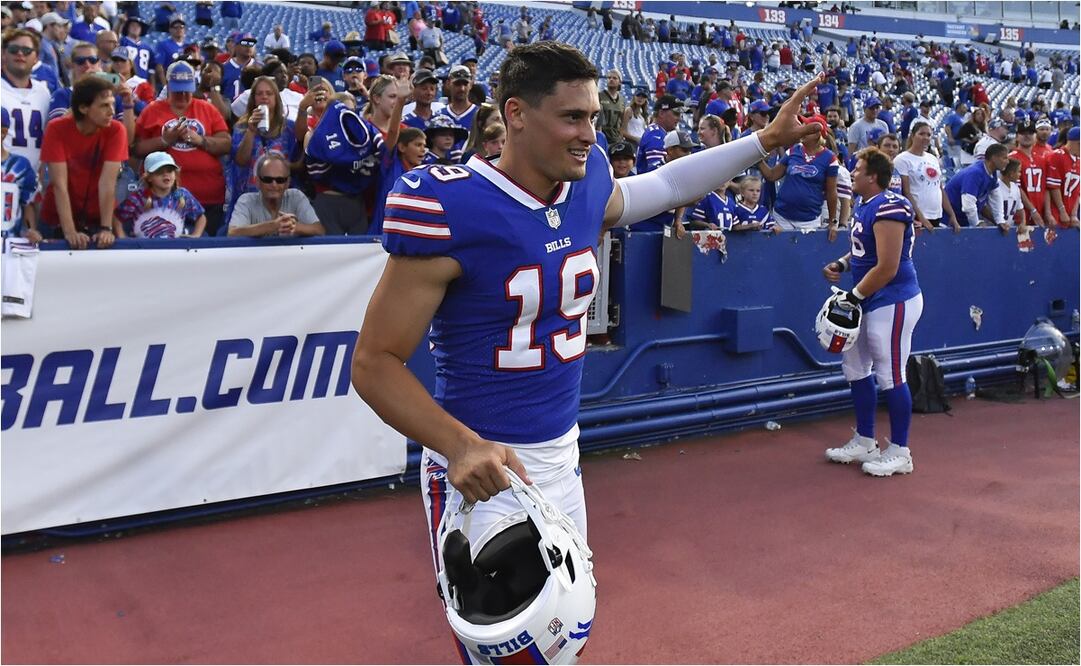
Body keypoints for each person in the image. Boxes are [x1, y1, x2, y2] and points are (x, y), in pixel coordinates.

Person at [351, 43, 819, 663]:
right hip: (486, 470)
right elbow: (373, 363)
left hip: (562, 456)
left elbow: (667, 183)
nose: (588, 134)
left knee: (566, 636)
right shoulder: (450, 204)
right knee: (513, 653)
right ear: (515, 114)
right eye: (572, 117)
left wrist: (762, 141)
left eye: (594, 117)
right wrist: (460, 445)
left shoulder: (588, 176)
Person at [821, 147, 922, 477]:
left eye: (858, 168)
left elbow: (889, 266)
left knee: (891, 372)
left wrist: (853, 295)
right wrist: (843, 263)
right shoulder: (867, 206)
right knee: (854, 366)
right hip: (869, 298)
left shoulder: (891, 205)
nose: (852, 173)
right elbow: (862, 251)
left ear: (873, 176)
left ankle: (901, 450)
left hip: (892, 298)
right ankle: (865, 439)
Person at [135, 61, 231, 236]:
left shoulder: (207, 108)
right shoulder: (152, 111)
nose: (183, 95)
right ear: (169, 86)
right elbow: (137, 149)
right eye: (178, 90)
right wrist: (165, 140)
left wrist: (200, 140)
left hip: (209, 198)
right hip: (163, 201)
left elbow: (226, 143)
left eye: (187, 89)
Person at [39, 75, 127, 249]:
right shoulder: (57, 128)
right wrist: (70, 232)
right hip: (56, 219)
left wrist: (106, 228)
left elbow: (108, 183)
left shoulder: (116, 129)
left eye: (112, 104)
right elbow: (59, 185)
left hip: (97, 219)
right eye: (104, 106)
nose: (112, 111)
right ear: (83, 108)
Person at [229, 76, 297, 214]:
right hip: (249, 196)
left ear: (276, 98)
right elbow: (240, 160)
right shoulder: (241, 127)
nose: (264, 97)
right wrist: (251, 131)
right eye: (259, 94)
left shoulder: (289, 127)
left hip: (281, 197)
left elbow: (296, 163)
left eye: (269, 93)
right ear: (253, 99)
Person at [757, 115, 838, 231]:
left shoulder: (829, 158)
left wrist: (832, 221)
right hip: (781, 217)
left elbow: (831, 192)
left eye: (806, 129)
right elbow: (772, 175)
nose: (802, 131)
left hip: (809, 221)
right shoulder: (793, 150)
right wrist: (757, 159)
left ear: (817, 134)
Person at [228, 152, 324, 237]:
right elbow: (232, 233)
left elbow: (319, 230)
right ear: (257, 181)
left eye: (280, 180)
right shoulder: (246, 201)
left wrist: (294, 227)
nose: (274, 185)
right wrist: (273, 226)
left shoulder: (296, 197)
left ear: (287, 183)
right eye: (267, 180)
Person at [116, 151, 206, 238]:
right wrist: (122, 237)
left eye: (170, 171)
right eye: (160, 172)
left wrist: (196, 235)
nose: (166, 174)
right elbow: (117, 217)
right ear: (149, 177)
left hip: (176, 250)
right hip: (144, 250)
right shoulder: (138, 197)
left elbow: (200, 217)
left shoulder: (182, 195)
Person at [1, 29, 53, 174]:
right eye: (14, 49)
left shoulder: (44, 92)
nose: (20, 54)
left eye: (26, 50)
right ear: (3, 54)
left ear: (36, 57)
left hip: (35, 179)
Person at [895, 120, 959, 233]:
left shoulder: (933, 158)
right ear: (913, 136)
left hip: (936, 215)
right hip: (917, 216)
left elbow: (939, 188)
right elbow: (906, 192)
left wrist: (951, 215)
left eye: (928, 135)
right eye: (921, 134)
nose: (925, 137)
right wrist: (921, 218)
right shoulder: (902, 159)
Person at [945, 142, 1010, 227]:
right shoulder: (975, 173)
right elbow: (968, 205)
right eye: (1004, 158)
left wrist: (1000, 220)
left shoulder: (992, 173)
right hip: (947, 220)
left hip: (961, 220)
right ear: (994, 158)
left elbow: (996, 197)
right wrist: (976, 223)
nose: (1007, 161)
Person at [1, 107, 41, 242]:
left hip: (10, 247)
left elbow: (27, 204)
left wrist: (31, 231)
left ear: (3, 132)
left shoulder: (21, 166)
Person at [1044, 126, 1080, 228]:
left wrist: (1073, 214)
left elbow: (1077, 191)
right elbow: (1053, 187)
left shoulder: (1078, 160)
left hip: (1069, 212)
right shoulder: (1057, 156)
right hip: (1056, 212)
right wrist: (1062, 210)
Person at [597, 69, 625, 144]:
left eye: (614, 78)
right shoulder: (599, 96)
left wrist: (620, 137)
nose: (611, 80)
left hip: (615, 139)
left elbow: (622, 121)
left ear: (620, 82)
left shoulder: (621, 100)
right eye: (609, 78)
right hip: (601, 137)